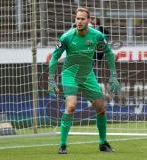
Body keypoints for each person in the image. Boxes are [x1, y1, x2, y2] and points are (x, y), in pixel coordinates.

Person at [48, 7, 119, 154]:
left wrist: (113, 75)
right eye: (77, 18)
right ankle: (62, 145)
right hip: (70, 74)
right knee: (71, 106)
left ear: (89, 20)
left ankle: (103, 143)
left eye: (82, 19)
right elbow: (54, 57)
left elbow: (109, 53)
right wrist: (51, 79)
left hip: (87, 75)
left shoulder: (97, 36)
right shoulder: (67, 37)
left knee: (101, 109)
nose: (79, 21)